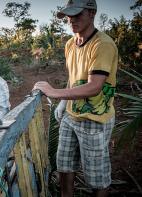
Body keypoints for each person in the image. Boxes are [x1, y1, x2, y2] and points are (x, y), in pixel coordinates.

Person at [33, 0, 118, 196]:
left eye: (77, 14)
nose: (71, 19)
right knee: (64, 166)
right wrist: (64, 103)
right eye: (68, 15)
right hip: (71, 116)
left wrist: (54, 93)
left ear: (92, 13)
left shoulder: (102, 44)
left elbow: (95, 87)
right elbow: (74, 78)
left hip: (95, 119)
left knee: (97, 179)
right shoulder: (71, 44)